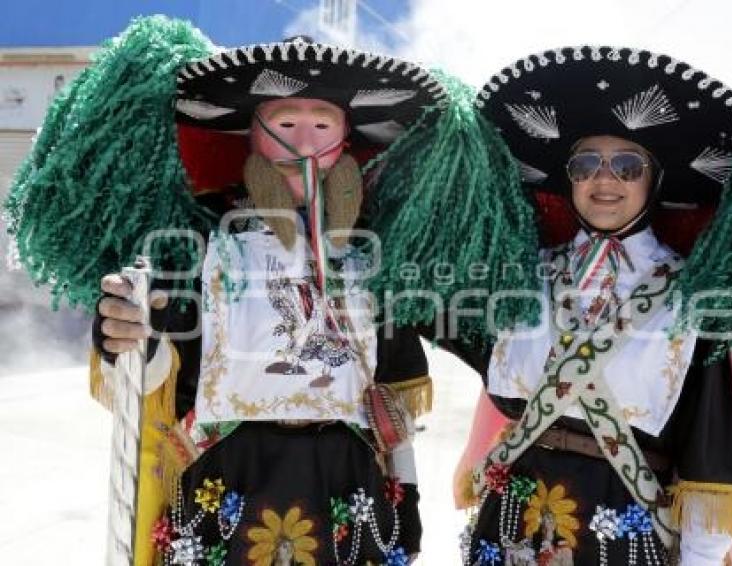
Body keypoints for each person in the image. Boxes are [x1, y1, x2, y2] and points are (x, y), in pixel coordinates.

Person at [6, 17, 448, 565]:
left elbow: (392, 401)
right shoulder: (199, 245)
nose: (303, 144)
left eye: (322, 125)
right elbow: (159, 368)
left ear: (345, 144)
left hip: (348, 487)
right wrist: (127, 332)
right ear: (254, 136)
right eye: (286, 121)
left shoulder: (373, 257)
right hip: (230, 479)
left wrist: (408, 497)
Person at [439, 46, 732, 566]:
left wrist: (701, 558)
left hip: (622, 523)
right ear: (569, 179)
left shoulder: (692, 299)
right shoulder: (522, 273)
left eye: (626, 164)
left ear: (654, 180)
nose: (605, 179)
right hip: (511, 516)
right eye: (586, 164)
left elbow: (708, 450)